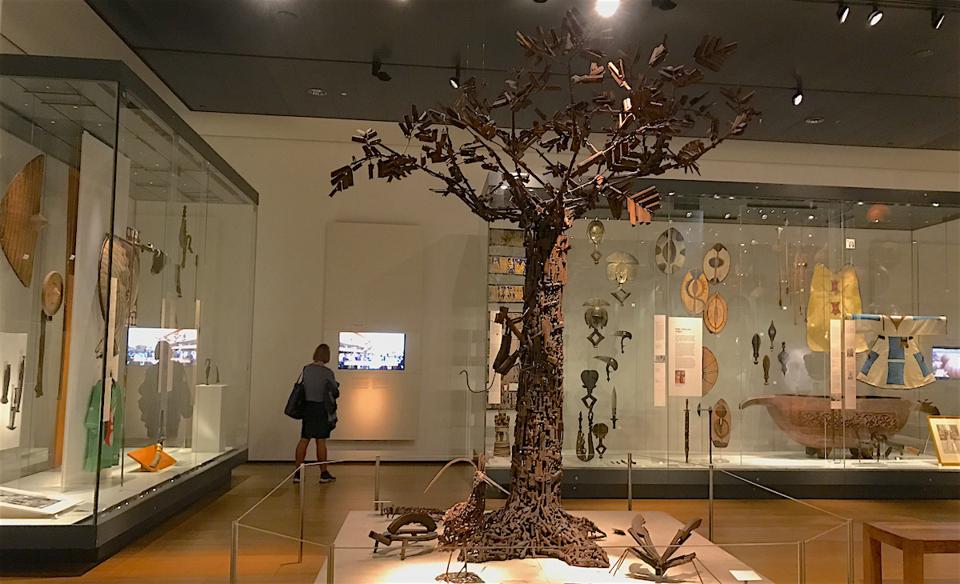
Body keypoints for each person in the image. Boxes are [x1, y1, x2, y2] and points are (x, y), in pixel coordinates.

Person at [294, 344, 339, 484]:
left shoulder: (306, 369)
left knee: (304, 440)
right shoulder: (327, 372)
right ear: (327, 355)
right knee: (321, 441)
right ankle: (323, 473)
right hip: (321, 409)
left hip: (308, 408)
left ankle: (297, 473)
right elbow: (335, 391)